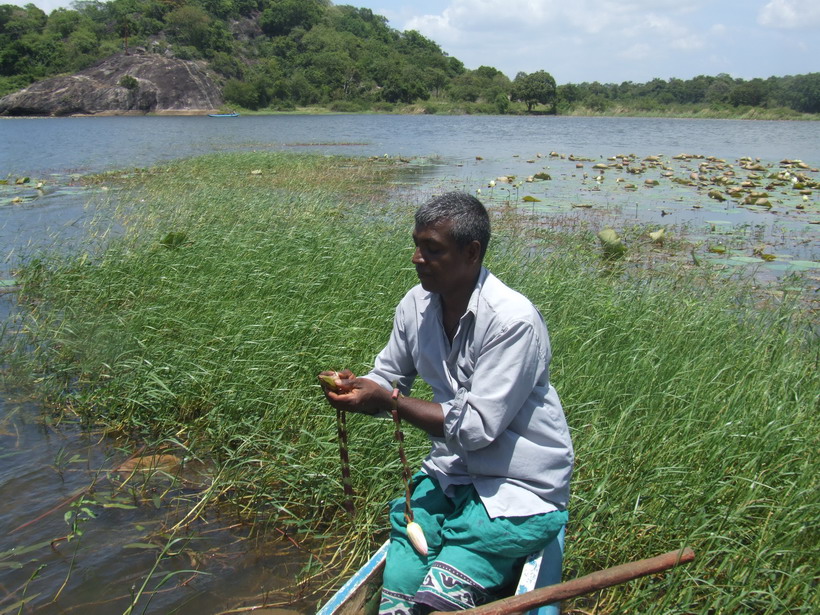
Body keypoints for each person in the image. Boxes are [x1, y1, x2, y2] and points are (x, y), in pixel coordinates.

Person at [319, 191, 573, 614]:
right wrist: (360, 389)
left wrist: (390, 401)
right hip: (451, 474)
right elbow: (389, 376)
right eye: (416, 245)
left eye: (431, 249)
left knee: (437, 601)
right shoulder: (416, 304)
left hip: (516, 486)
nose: (417, 258)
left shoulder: (512, 320)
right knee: (399, 589)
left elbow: (474, 428)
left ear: (471, 253)